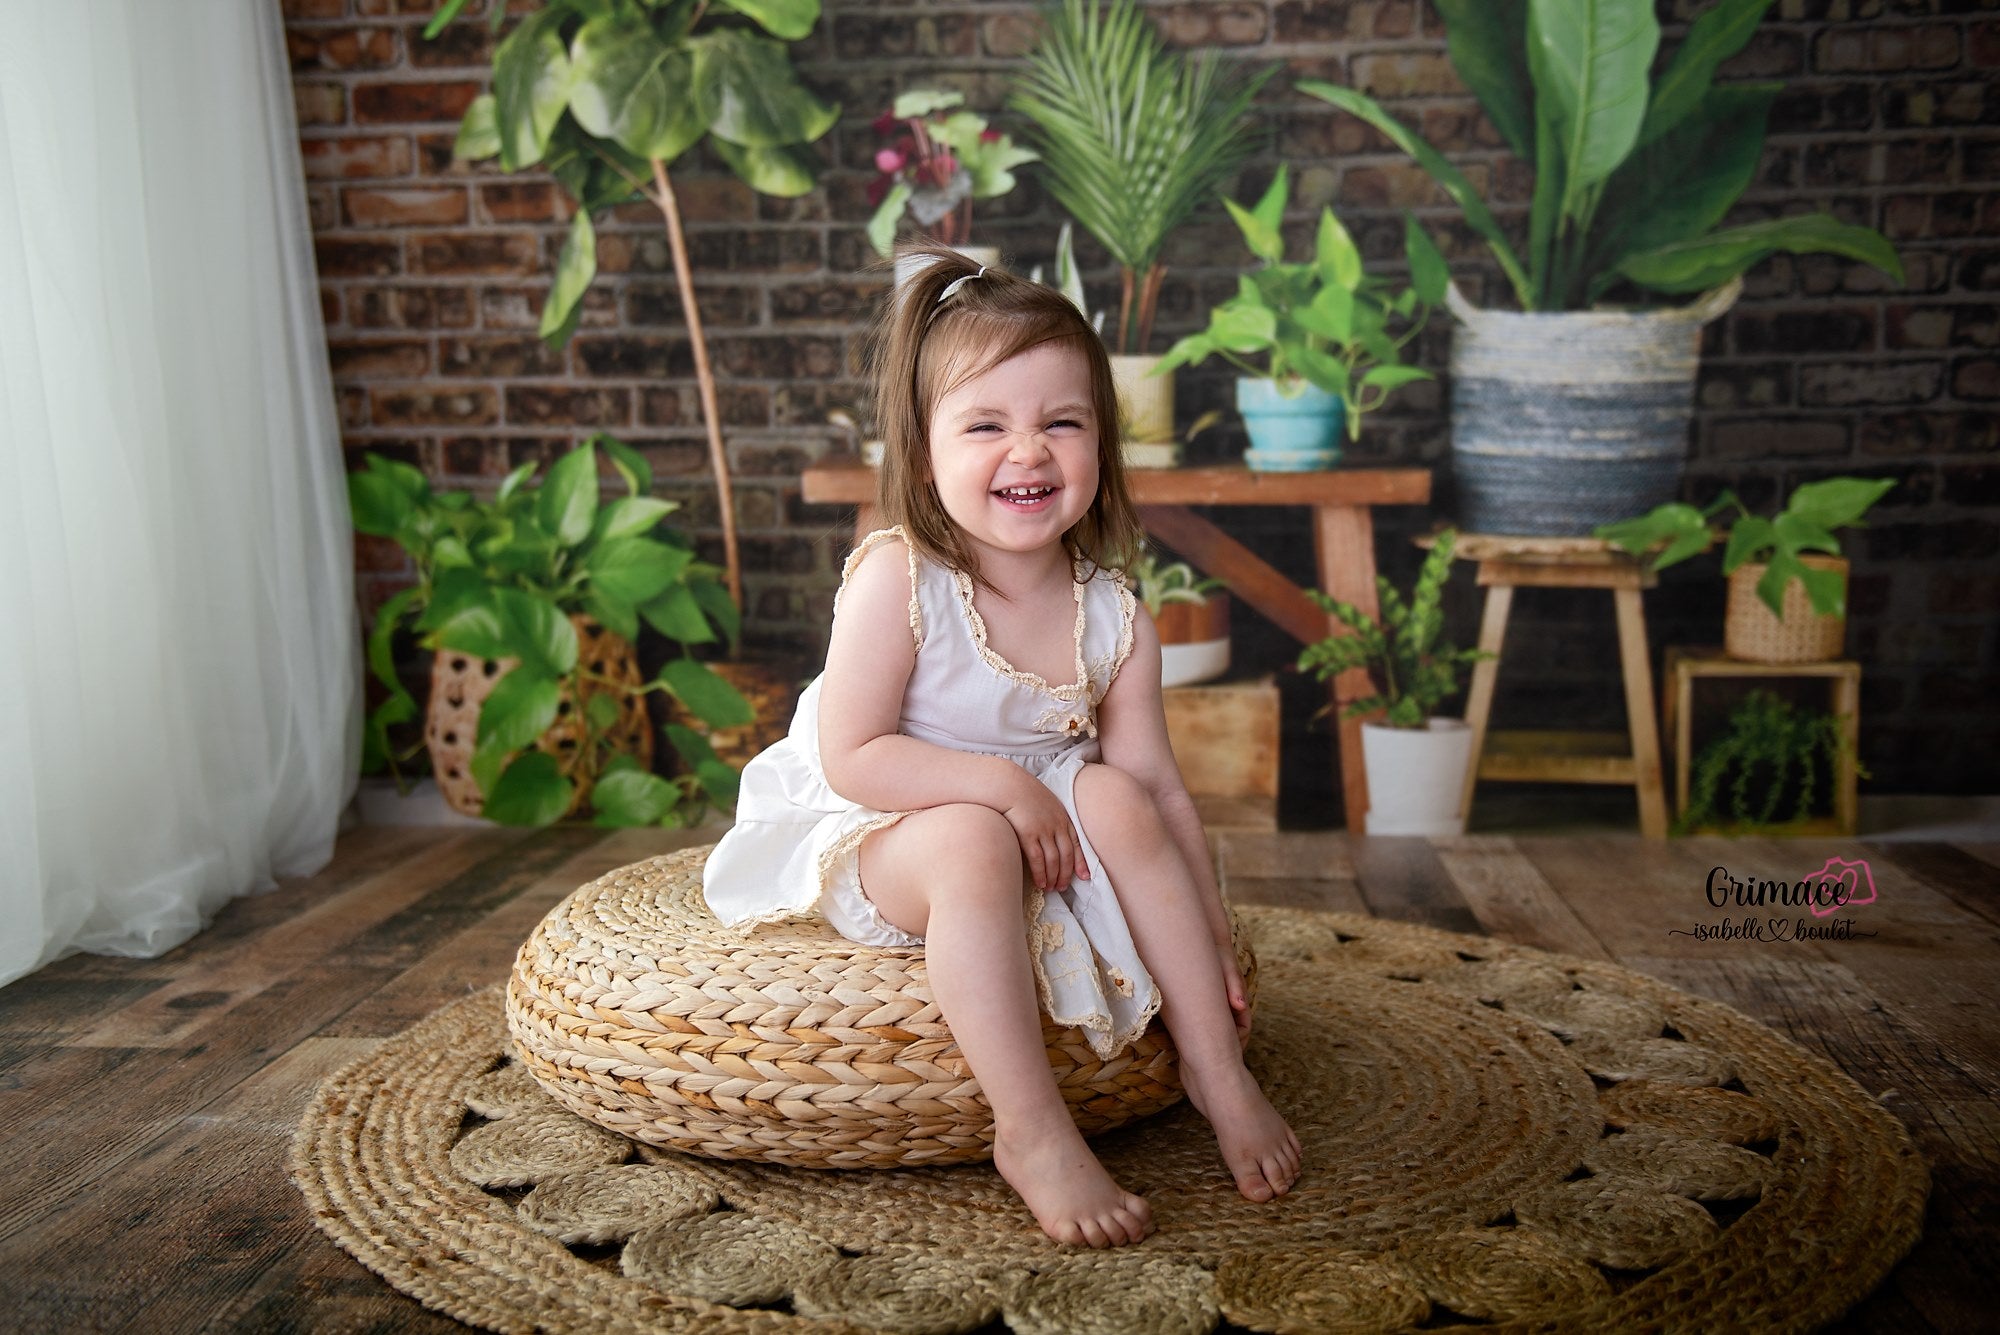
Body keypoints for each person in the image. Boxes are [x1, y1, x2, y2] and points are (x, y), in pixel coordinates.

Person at [703, 243, 1301, 1248]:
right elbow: (853, 753)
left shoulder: (1111, 615)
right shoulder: (900, 579)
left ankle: (1213, 1064)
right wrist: (998, 790)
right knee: (976, 838)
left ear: (1099, 446)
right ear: (924, 446)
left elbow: (1159, 792)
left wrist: (1207, 927)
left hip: (1040, 812)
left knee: (1114, 794)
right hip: (889, 814)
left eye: (1059, 423)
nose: (1027, 452)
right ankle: (1029, 1129)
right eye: (985, 425)